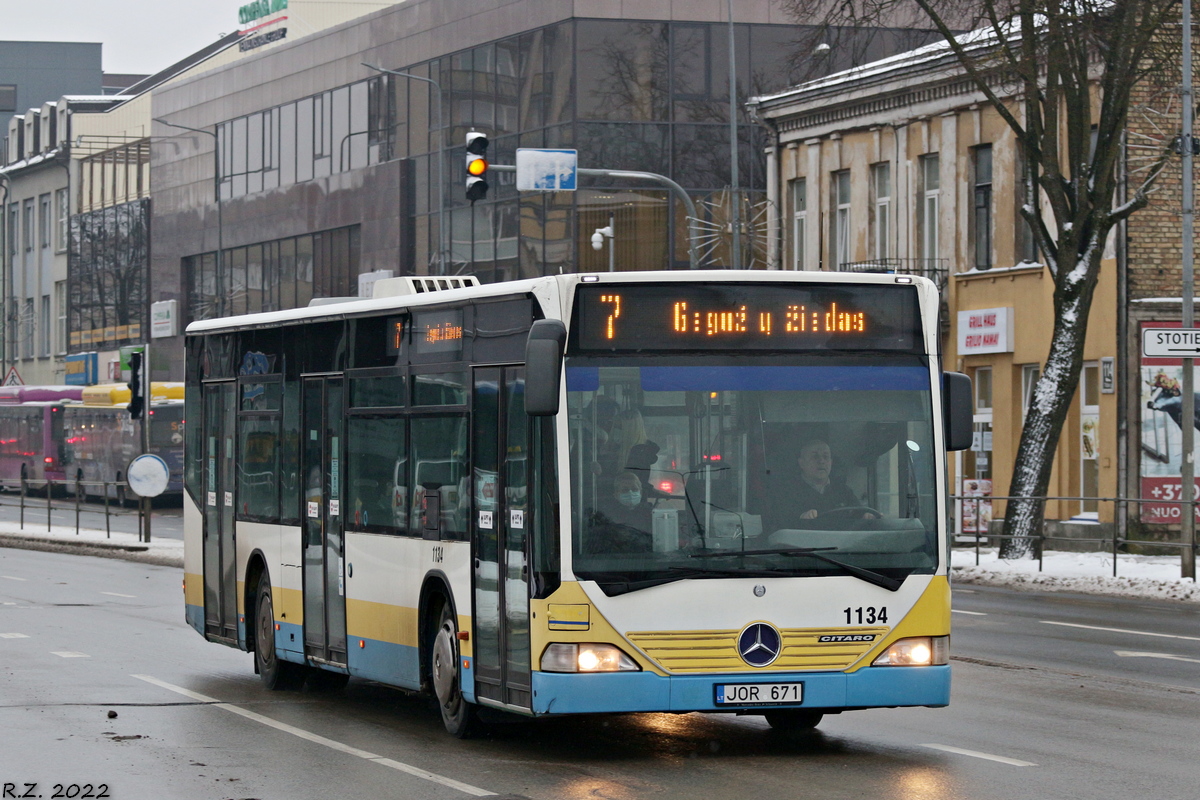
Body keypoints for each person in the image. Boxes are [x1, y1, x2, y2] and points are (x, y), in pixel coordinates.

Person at [781, 438, 873, 522]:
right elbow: (781, 521)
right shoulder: (787, 492)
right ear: (801, 463)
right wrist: (802, 517)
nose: (821, 461)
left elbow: (859, 513)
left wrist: (867, 516)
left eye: (826, 457)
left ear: (831, 462)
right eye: (815, 456)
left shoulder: (843, 491)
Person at [587, 471, 654, 553]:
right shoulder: (607, 517)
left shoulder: (652, 515)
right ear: (616, 495)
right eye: (625, 490)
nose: (630, 492)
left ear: (641, 492)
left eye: (634, 489)